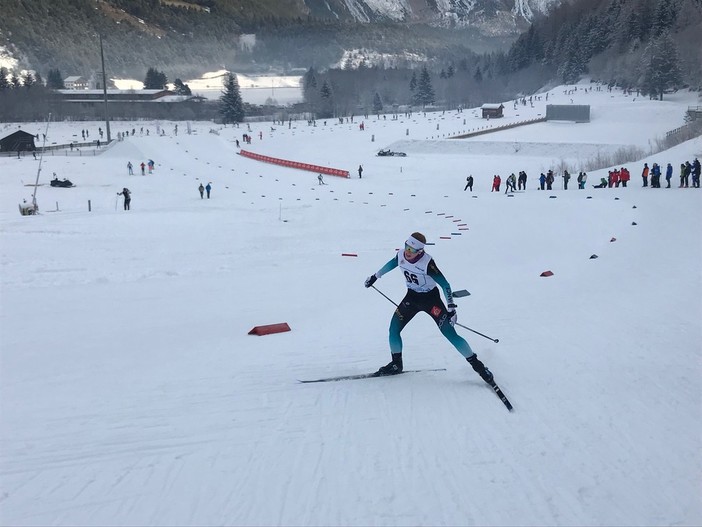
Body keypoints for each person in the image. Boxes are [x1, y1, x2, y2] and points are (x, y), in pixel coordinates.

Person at [363, 232, 496, 385]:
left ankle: (479, 367)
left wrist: (451, 308)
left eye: (412, 250)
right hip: (411, 298)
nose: (408, 252)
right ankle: (396, 364)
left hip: (431, 301)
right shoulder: (401, 254)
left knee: (450, 334)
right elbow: (392, 263)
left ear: (420, 252)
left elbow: (445, 284)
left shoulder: (427, 263)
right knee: (393, 329)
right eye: (406, 246)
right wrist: (375, 276)